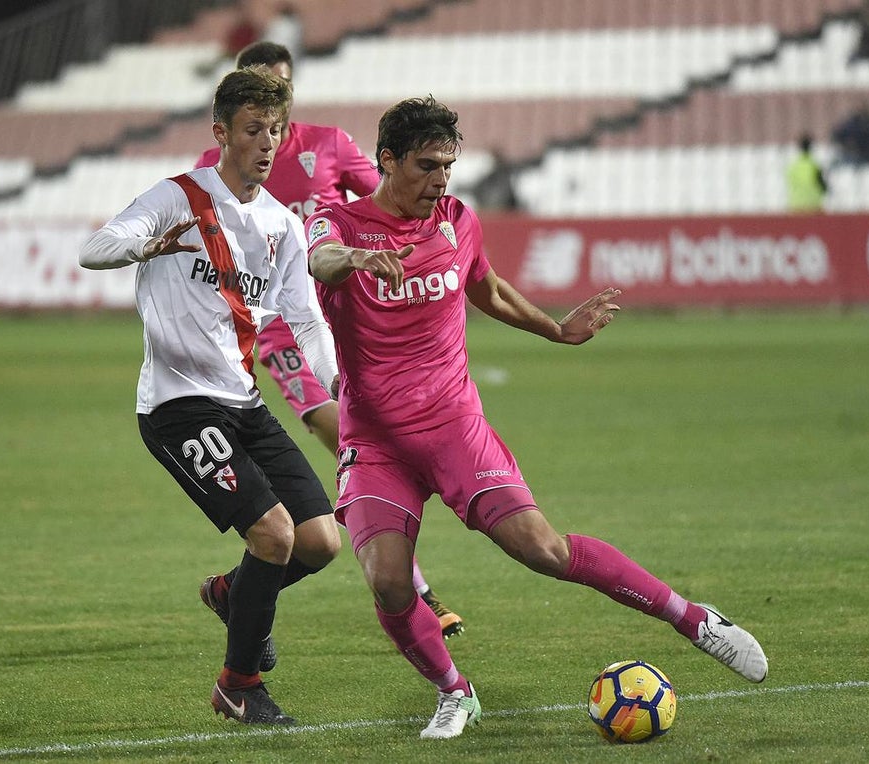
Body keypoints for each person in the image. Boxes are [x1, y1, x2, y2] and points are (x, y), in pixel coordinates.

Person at [306, 96, 768, 740]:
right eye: (426, 165)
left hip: (454, 427)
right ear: (387, 160)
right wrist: (355, 259)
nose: (441, 179)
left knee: (543, 550)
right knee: (388, 583)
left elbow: (488, 289)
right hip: (376, 439)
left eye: (448, 165)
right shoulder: (338, 222)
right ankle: (455, 692)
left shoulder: (456, 220)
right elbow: (320, 258)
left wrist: (555, 329)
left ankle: (694, 619)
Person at [79, 66, 343, 727]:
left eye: (275, 130)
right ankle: (239, 685)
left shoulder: (280, 224)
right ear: (221, 132)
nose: (267, 143)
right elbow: (95, 248)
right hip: (177, 405)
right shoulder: (179, 197)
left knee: (320, 542)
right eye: (253, 129)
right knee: (274, 534)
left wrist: (338, 384)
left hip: (242, 401)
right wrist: (144, 245)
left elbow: (305, 318)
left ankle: (232, 592)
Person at [194, 41, 465, 639]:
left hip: (345, 319)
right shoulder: (218, 165)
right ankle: (417, 589)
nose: (276, 96)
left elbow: (389, 201)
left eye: (283, 84)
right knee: (340, 431)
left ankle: (236, 589)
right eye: (260, 83)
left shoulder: (330, 144)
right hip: (279, 327)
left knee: (374, 444)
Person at [785, 133, 828, 213]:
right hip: (814, 208)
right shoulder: (814, 166)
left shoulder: (793, 167)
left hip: (795, 208)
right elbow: (824, 188)